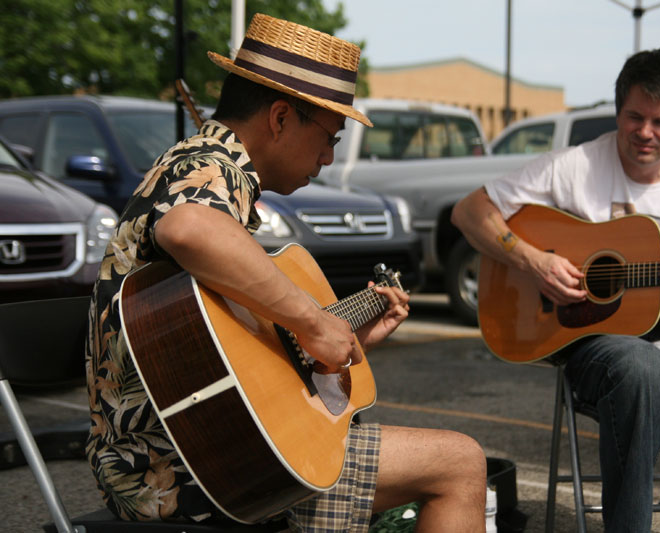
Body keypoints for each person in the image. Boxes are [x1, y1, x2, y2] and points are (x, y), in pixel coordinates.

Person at [85, 13, 486, 533]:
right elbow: (187, 228)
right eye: (330, 137)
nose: (327, 157)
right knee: (461, 463)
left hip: (171, 455)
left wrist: (337, 335)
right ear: (279, 118)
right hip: (186, 469)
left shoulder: (192, 164)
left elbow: (218, 354)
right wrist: (314, 324)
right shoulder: (211, 166)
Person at [453, 47, 660, 533]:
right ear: (618, 111)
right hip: (602, 351)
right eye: (635, 117)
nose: (646, 133)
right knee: (641, 366)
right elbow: (470, 212)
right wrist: (536, 261)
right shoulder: (572, 167)